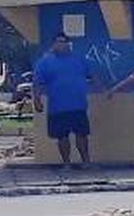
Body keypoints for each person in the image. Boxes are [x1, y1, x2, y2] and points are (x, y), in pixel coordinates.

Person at [33, 33, 94, 166]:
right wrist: (37, 100)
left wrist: (105, 90)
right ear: (53, 44)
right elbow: (37, 83)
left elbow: (91, 76)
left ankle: (86, 162)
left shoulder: (79, 59)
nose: (61, 45)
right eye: (58, 42)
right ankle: (67, 163)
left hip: (78, 105)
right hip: (57, 107)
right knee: (62, 137)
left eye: (64, 42)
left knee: (82, 135)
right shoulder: (45, 62)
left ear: (69, 44)